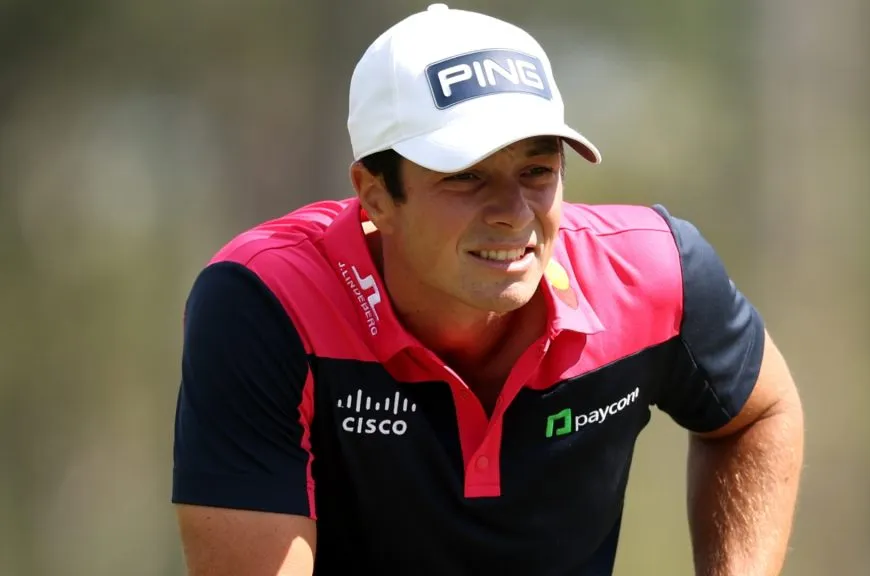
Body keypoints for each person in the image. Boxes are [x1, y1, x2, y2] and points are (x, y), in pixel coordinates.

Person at [171, 4, 805, 575]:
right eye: (465, 176)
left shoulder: (654, 272)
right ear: (375, 196)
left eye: (537, 170)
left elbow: (758, 414)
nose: (514, 213)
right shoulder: (267, 303)